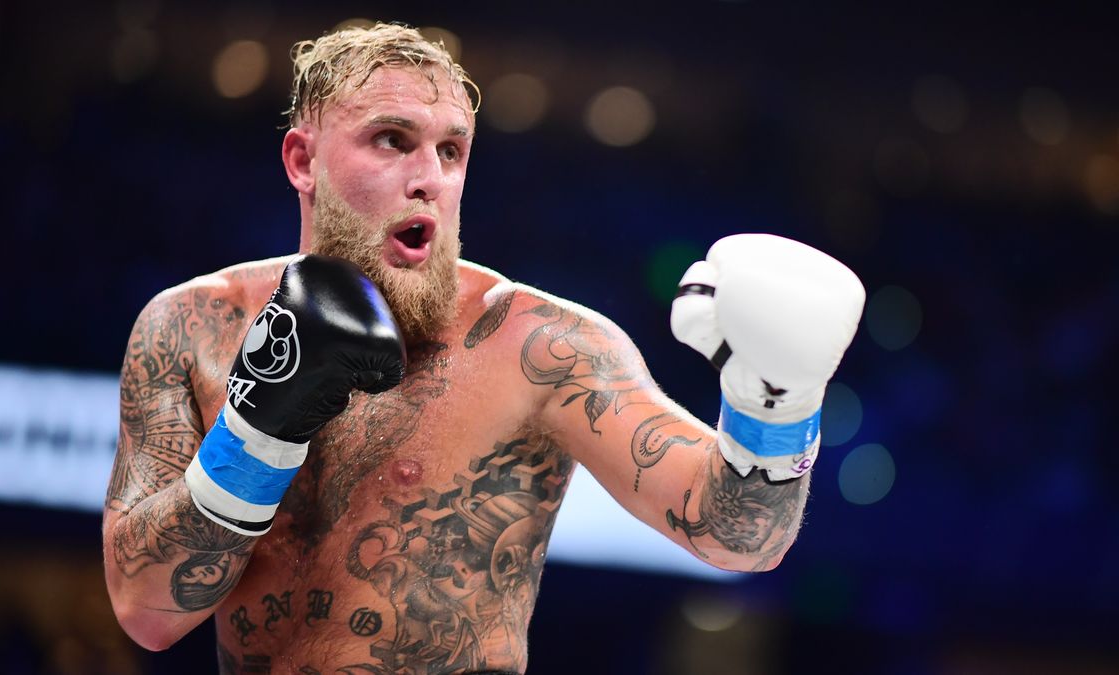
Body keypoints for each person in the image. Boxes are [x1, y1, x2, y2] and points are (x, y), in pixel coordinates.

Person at [101, 23, 865, 675]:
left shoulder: (543, 347)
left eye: (451, 151)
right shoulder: (192, 327)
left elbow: (739, 535)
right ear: (303, 161)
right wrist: (256, 430)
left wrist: (775, 400)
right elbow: (146, 611)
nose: (428, 178)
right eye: (392, 141)